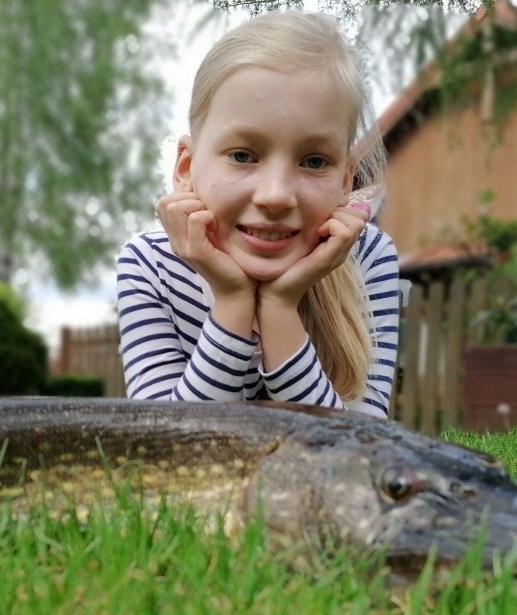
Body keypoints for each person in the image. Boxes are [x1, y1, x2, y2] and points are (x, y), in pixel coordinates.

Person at [116, 11, 399, 418]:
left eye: (315, 161)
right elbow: (162, 444)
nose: (276, 195)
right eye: (243, 155)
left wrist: (280, 307)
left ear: (345, 180)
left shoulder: (368, 256)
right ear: (185, 168)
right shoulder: (149, 265)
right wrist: (233, 300)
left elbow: (362, 453)